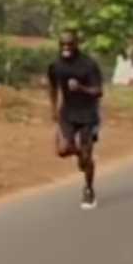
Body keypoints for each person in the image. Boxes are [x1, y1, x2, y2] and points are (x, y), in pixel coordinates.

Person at [47, 29, 103, 209]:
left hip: (88, 114)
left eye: (69, 44)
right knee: (62, 150)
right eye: (63, 44)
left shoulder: (88, 65)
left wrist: (80, 88)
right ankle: (81, 153)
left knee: (86, 159)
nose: (66, 48)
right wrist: (53, 108)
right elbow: (53, 87)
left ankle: (89, 189)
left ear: (77, 44)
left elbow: (98, 91)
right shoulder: (56, 65)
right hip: (68, 113)